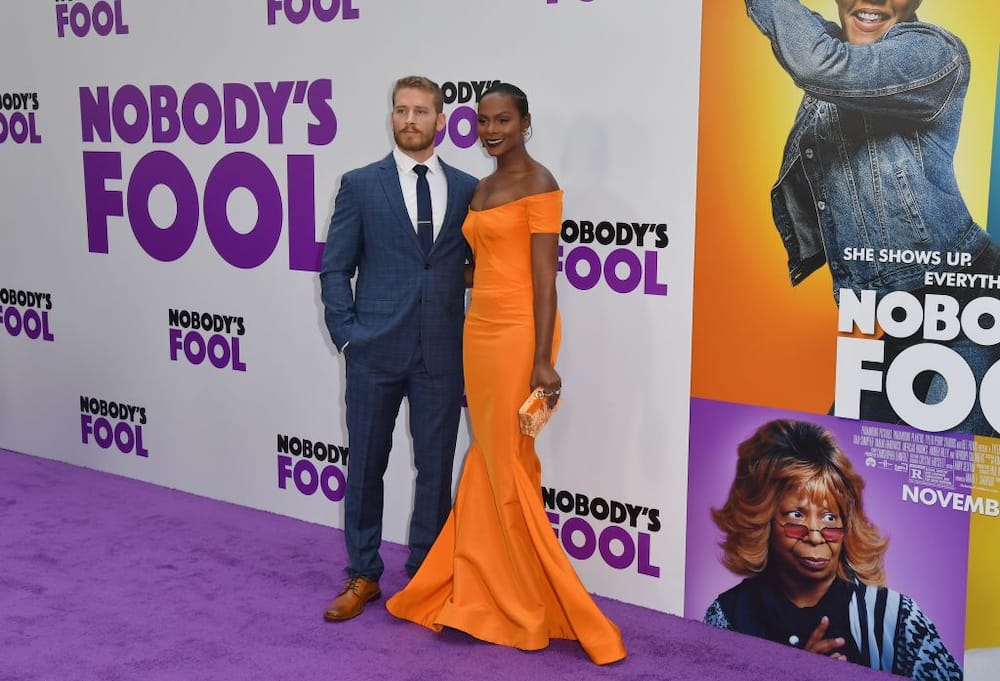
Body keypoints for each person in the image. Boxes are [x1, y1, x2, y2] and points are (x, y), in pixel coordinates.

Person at [385, 83, 627, 665]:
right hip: (480, 331)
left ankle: (529, 601)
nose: (491, 131)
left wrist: (544, 358)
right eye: (482, 122)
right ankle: (481, 587)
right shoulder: (483, 187)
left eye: (503, 121)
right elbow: (481, 265)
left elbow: (546, 278)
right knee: (493, 459)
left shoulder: (539, 183)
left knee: (509, 462)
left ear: (524, 122)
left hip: (522, 334)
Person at [746, 0, 1000, 435]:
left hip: (971, 307)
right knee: (843, 464)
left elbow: (814, 60)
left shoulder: (933, 54)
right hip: (908, 311)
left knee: (954, 478)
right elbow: (806, 40)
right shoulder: (853, 60)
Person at [319, 75, 478, 622]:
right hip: (373, 352)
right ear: (392, 118)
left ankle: (426, 579)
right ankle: (363, 574)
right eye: (400, 110)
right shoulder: (361, 185)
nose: (410, 120)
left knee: (435, 469)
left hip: (440, 353)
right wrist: (347, 335)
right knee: (365, 465)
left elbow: (476, 264)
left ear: (441, 121)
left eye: (421, 111)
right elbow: (336, 266)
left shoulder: (466, 188)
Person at [704, 419, 961, 680]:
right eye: (796, 515)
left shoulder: (894, 619)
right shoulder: (729, 616)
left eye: (829, 518)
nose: (815, 536)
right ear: (762, 522)